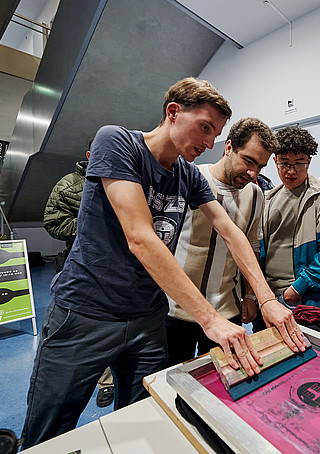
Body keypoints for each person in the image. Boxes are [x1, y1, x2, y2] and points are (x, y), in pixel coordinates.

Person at [21, 78, 305, 449]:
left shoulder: (187, 175)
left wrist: (266, 299)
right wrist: (211, 319)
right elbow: (140, 237)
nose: (207, 143)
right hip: (86, 313)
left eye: (214, 134)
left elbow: (231, 232)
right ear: (173, 112)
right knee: (50, 431)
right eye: (204, 128)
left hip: (146, 319)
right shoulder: (118, 142)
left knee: (146, 417)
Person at [166, 117, 279, 365]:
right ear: (229, 147)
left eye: (260, 166)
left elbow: (251, 246)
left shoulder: (256, 194)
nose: (253, 173)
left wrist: (250, 296)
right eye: (248, 161)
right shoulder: (191, 178)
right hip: (176, 311)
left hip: (227, 312)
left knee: (221, 387)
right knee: (172, 386)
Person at [43, 141, 115, 408]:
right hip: (84, 266)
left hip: (122, 268)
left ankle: (117, 379)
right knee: (88, 329)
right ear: (89, 155)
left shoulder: (128, 179)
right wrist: (89, 224)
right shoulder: (69, 185)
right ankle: (104, 382)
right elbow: (53, 222)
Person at [262, 125, 320, 309]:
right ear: (275, 161)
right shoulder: (269, 199)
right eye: (284, 163)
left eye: (299, 163)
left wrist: (299, 288)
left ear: (308, 162)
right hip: (267, 296)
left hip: (301, 298)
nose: (291, 170)